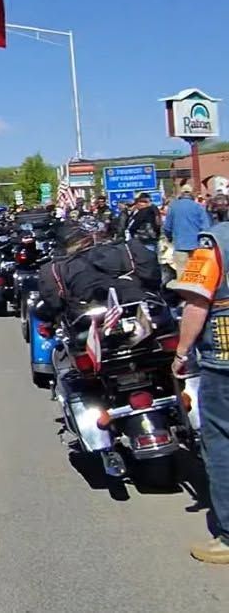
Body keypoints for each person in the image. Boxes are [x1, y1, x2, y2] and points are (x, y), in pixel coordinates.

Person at [169, 226, 229, 563]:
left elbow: (196, 302)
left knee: (221, 443)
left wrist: (181, 353)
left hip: (224, 359)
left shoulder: (215, 243)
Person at [36, 222, 161, 323]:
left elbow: (54, 304)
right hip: (139, 306)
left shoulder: (54, 269)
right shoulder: (123, 249)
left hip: (87, 321)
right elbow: (152, 278)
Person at [163, 182, 212, 278]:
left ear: (181, 193)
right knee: (197, 273)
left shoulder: (173, 207)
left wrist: (169, 238)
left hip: (180, 244)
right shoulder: (198, 207)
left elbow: (167, 227)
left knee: (181, 274)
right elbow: (206, 227)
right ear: (191, 194)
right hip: (196, 246)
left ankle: (183, 292)